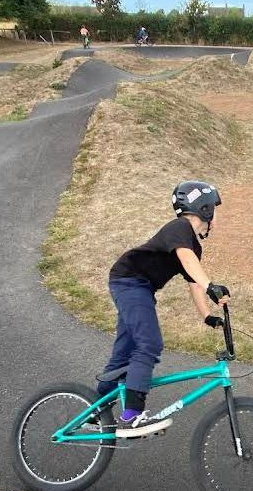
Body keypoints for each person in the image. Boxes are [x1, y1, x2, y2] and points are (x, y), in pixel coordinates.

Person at [96, 181, 229, 436]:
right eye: (214, 208)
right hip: (130, 282)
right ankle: (132, 415)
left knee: (122, 357)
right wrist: (210, 284)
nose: (216, 215)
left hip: (138, 288)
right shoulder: (179, 229)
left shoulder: (192, 245)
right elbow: (188, 261)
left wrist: (207, 317)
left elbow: (194, 283)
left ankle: (94, 413)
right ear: (205, 208)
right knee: (149, 343)